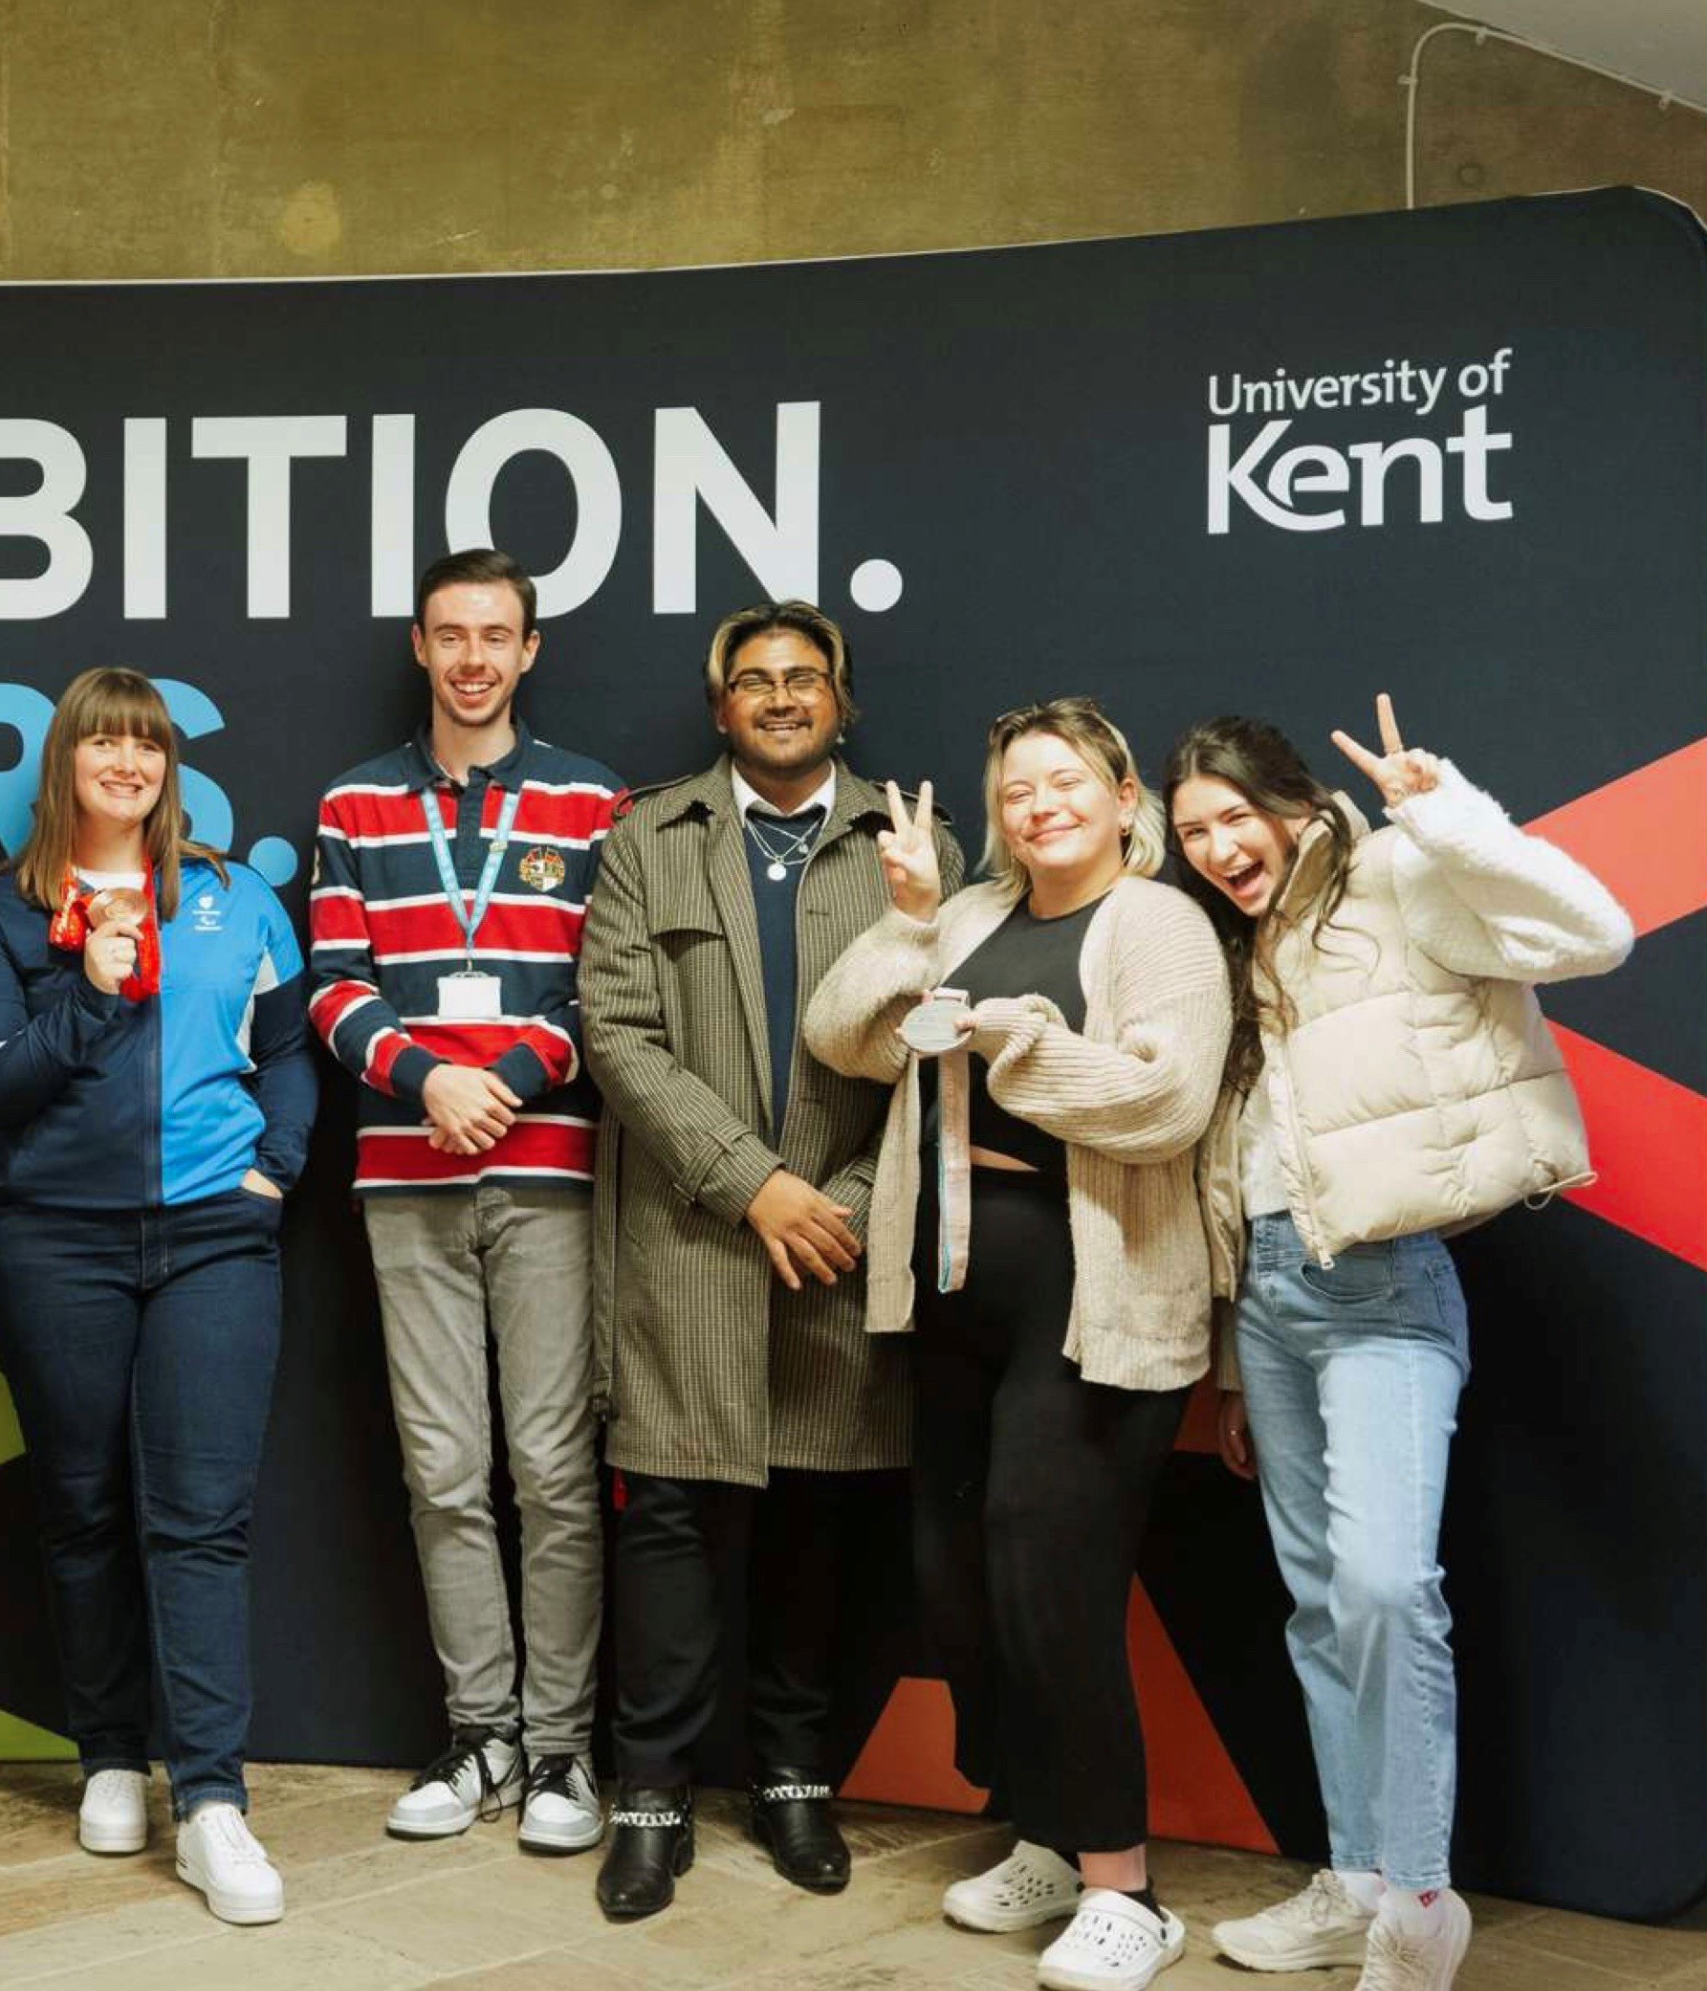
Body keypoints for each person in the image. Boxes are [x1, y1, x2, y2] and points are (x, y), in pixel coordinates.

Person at [1167, 698, 1629, 1991]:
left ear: (1293, 801)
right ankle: (1356, 1876)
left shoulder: (1400, 875)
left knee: (1383, 1590)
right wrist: (1225, 1361)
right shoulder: (1236, 947)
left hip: (1385, 1288)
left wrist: (1450, 812)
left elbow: (1595, 933)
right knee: (1322, 1607)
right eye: (1191, 830)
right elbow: (1236, 1158)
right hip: (1267, 1296)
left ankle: (1420, 1908)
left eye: (1232, 817)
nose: (1214, 847)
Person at [805, 698, 1228, 1991]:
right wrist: (913, 921)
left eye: (1064, 783)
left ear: (1117, 799)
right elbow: (846, 1038)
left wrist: (1014, 1042)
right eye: (1017, 789)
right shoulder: (976, 918)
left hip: (1087, 1300)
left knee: (1055, 1588)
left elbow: (1165, 1097)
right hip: (953, 1294)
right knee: (960, 1583)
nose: (1039, 805)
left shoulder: (1157, 920)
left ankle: (1123, 1887)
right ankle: (1046, 1831)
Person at [576, 599, 967, 1918]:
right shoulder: (648, 837)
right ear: (721, 709)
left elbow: (942, 1047)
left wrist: (839, 1199)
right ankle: (650, 1794)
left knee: (815, 1517)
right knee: (675, 1524)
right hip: (691, 1232)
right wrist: (756, 1187)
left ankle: (796, 1776)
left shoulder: (916, 847)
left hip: (845, 1240)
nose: (783, 697)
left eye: (806, 678)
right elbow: (618, 1035)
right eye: (756, 681)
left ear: (842, 702)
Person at [0, 666, 316, 1926]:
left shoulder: (233, 894)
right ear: (66, 762)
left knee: (199, 1516)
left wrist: (278, 1169)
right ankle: (109, 1752)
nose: (126, 760)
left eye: (144, 742)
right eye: (101, 739)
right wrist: (90, 992)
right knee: (84, 1503)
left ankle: (212, 1800)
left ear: (169, 765)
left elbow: (288, 1047)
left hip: (216, 1233)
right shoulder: (7, 910)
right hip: (52, 1242)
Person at [305, 548, 621, 1858]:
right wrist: (432, 1081)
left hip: (545, 1173)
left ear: (529, 650)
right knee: (444, 1475)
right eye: (452, 635)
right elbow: (331, 983)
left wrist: (498, 1085)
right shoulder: (354, 805)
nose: (474, 657)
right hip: (406, 1177)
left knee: (553, 1473)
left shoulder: (598, 801)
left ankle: (561, 1750)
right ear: (422, 649)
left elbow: (602, 992)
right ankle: (480, 1734)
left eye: (497, 635)